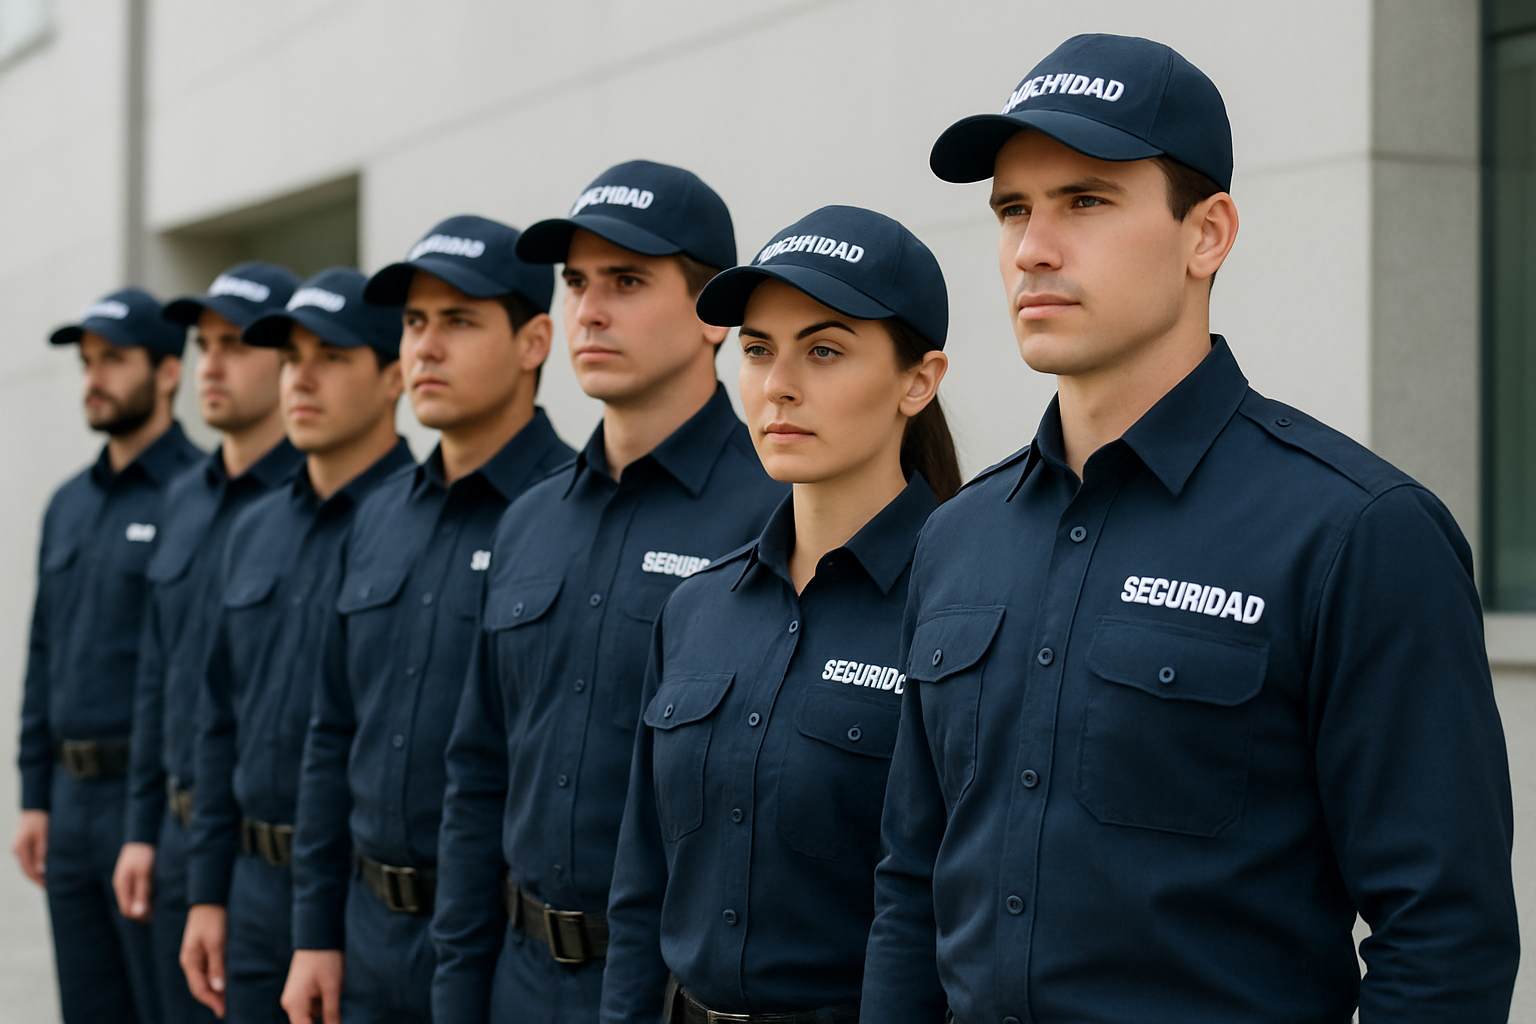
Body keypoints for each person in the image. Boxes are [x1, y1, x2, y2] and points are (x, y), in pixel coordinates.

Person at [860, 32, 1520, 1024]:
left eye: (1085, 200)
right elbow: (913, 884)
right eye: (1011, 209)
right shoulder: (958, 541)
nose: (1032, 246)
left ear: (1206, 233)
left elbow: (1444, 938)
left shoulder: (1358, 535)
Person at [432, 160, 787, 1024]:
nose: (588, 309)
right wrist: (458, 990)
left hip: (670, 994)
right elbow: (478, 774)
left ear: (713, 320)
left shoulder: (777, 514)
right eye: (577, 282)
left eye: (627, 281)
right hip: (516, 979)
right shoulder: (527, 520)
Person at [601, 205, 954, 1024]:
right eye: (757, 351)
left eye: (824, 351)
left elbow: (949, 909)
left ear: (918, 380)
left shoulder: (959, 610)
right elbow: (641, 884)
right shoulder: (695, 610)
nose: (778, 386)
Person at [282, 216, 574, 1024]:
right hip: (365, 935)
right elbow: (332, 733)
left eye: (459, 321)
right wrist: (315, 933)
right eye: (413, 323)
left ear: (533, 341)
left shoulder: (570, 518)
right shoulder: (376, 519)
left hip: (498, 943)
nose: (425, 348)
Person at [179, 268, 413, 1023]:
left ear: (392, 378)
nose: (300, 380)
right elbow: (218, 723)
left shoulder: (415, 524)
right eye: (289, 359)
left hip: (360, 901)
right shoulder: (254, 527)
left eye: (333, 357)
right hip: (250, 892)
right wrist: (207, 892)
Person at [112, 261, 303, 1024]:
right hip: (174, 830)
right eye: (203, 343)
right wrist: (139, 830)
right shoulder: (180, 497)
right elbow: (156, 677)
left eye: (236, 343)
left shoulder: (318, 503)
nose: (211, 364)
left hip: (270, 859)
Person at [15, 287, 201, 1023]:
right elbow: (42, 650)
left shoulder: (199, 496)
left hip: (148, 805)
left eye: (113, 360)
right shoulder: (67, 503)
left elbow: (189, 675)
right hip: (68, 804)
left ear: (166, 373)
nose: (93, 377)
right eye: (87, 362)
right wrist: (33, 794)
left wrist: (146, 822)